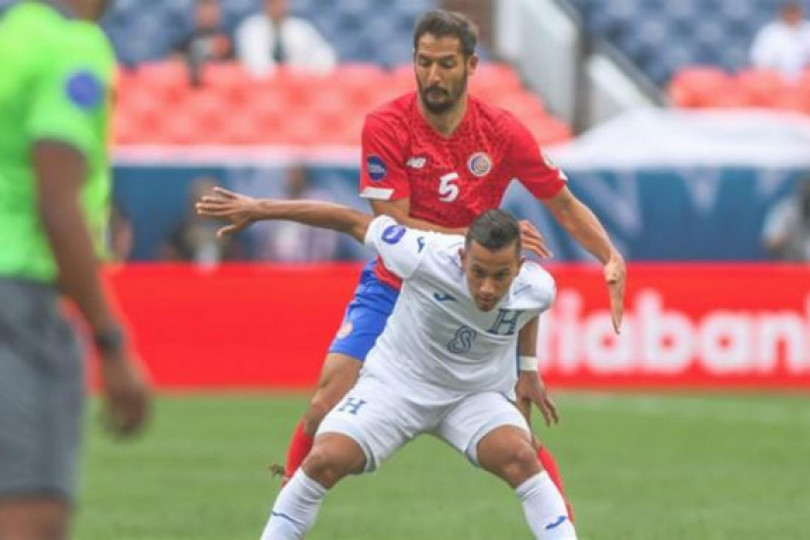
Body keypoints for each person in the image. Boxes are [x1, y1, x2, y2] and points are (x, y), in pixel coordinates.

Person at [272, 10, 626, 520]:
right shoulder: (387, 126)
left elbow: (563, 203)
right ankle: (289, 499)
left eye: (446, 64)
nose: (433, 76)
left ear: (471, 65)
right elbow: (391, 222)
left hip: (471, 292)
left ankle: (561, 521)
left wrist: (608, 255)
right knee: (323, 406)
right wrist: (481, 239)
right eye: (424, 62)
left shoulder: (501, 132)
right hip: (396, 283)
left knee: (515, 441)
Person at [196, 191, 577, 539]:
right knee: (325, 460)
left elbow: (529, 309)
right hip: (397, 385)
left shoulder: (538, 286)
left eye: (501, 276)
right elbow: (350, 220)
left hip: (473, 395)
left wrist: (528, 369)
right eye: (477, 272)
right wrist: (261, 208)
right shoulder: (423, 252)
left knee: (522, 457)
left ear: (519, 266)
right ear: (462, 256)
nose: (488, 288)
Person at [0, 1, 152, 538]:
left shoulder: (12, 36)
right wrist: (110, 341)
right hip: (17, 301)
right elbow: (57, 203)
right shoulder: (73, 48)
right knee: (30, 515)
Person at [255, 165, 340, 262]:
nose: (292, 175)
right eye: (289, 171)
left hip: (310, 270)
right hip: (276, 270)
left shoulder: (321, 200)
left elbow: (325, 245)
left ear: (304, 172)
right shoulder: (276, 200)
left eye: (296, 171)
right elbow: (266, 243)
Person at [235, 0, 337, 77]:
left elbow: (325, 56)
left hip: (299, 87)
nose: (278, 7)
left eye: (282, 3)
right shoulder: (251, 29)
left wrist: (310, 71)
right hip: (260, 88)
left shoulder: (301, 28)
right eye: (274, 3)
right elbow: (252, 64)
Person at [160, 175, 240, 266]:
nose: (208, 207)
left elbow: (237, 260)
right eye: (202, 202)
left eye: (212, 203)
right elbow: (168, 259)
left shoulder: (229, 229)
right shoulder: (180, 229)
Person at [749, 1, 810, 78]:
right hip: (775, 81)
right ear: (781, 12)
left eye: (795, 11)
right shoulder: (769, 33)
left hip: (809, 81)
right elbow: (761, 63)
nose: (792, 15)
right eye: (789, 11)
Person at [760, 175, 810, 262]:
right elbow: (770, 242)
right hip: (791, 266)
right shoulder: (786, 210)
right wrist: (789, 233)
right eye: (808, 194)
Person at [173, 0, 233, 86]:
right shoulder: (185, 42)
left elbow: (235, 71)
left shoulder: (227, 42)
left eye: (211, 8)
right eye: (203, 8)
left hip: (221, 90)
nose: (207, 13)